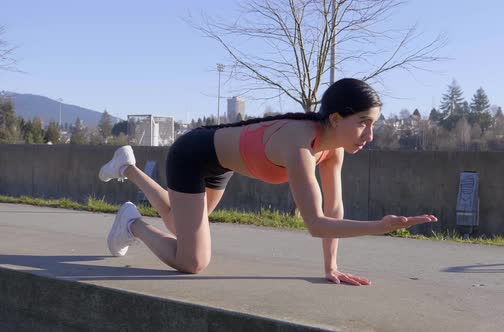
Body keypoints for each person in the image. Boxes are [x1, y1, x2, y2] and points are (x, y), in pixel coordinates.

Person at [99, 78, 437, 286]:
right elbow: (317, 224)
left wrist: (331, 266)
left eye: (374, 124)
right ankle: (133, 224)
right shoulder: (299, 144)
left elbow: (333, 209)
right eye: (363, 122)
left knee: (176, 220)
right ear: (336, 118)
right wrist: (379, 226)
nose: (370, 134)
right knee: (193, 261)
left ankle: (128, 167)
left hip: (220, 162)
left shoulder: (333, 149)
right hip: (192, 154)